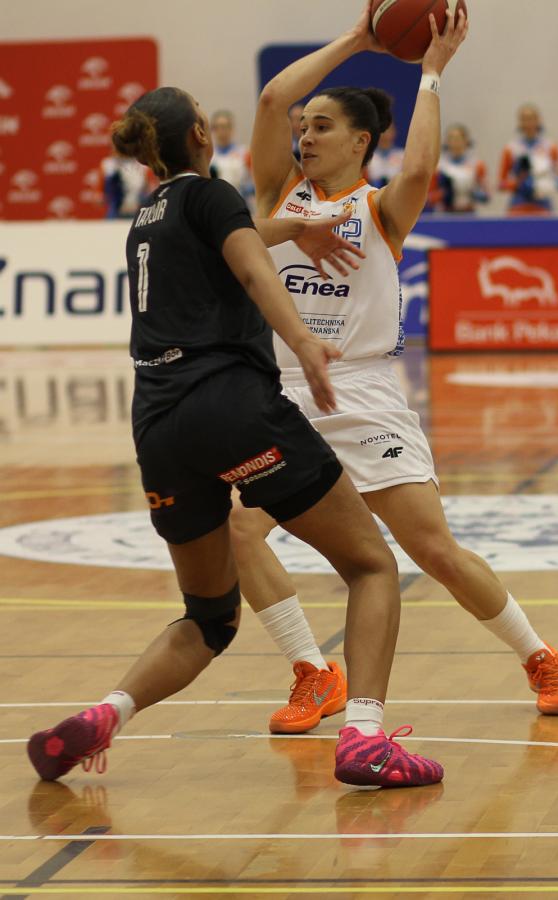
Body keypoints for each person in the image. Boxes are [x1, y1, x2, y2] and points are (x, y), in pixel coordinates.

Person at [26, 86, 443, 791]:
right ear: (199, 133)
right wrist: (303, 340)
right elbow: (250, 264)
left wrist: (293, 229)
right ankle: (366, 741)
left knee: (209, 617)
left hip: (156, 424)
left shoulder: (146, 218)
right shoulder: (212, 195)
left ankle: (104, 714)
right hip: (230, 406)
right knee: (371, 566)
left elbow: (245, 235)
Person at [229, 3, 558, 737]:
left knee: (433, 551)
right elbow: (269, 100)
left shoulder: (381, 210)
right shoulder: (277, 198)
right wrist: (358, 38)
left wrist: (431, 71)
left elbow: (418, 166)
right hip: (281, 397)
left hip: (361, 395)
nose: (305, 136)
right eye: (304, 127)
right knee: (237, 532)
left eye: (322, 126)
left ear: (361, 141)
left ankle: (539, 656)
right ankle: (314, 671)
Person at [498, 103, 558, 215]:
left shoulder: (550, 147)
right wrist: (517, 184)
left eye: (531, 118)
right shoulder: (511, 148)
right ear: (519, 122)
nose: (528, 123)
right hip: (518, 205)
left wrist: (551, 184)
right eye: (524, 119)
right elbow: (501, 184)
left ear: (538, 120)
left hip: (543, 205)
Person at [429, 123, 489, 212]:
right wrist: (445, 194)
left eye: (458, 138)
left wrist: (474, 193)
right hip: (445, 213)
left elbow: (486, 195)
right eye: (451, 138)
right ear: (447, 141)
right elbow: (429, 197)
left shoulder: (477, 165)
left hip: (468, 212)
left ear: (466, 140)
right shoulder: (438, 167)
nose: (455, 142)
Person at [209, 108, 254, 203]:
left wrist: (247, 189)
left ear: (231, 129)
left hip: (240, 203)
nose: (221, 132)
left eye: (224, 127)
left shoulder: (244, 153)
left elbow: (254, 182)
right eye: (217, 128)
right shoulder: (208, 156)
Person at [100, 150, 155, 218]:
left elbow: (151, 193)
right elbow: (100, 196)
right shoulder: (108, 165)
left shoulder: (144, 165)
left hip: (137, 210)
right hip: (116, 211)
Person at [367, 121, 404, 189]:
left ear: (394, 132)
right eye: (382, 130)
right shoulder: (367, 156)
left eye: (388, 129)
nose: (385, 133)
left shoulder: (403, 155)